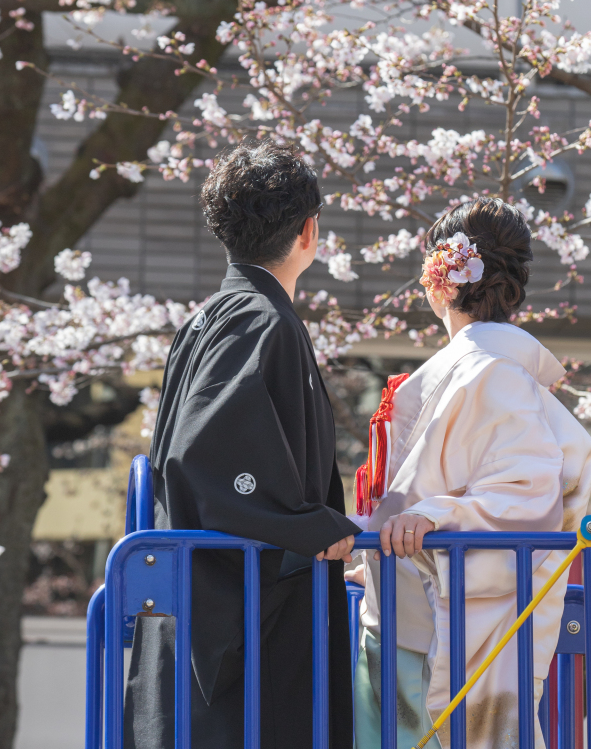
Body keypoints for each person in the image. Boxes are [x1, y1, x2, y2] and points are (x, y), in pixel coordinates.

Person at [125, 139, 359, 749]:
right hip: (243, 633)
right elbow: (203, 458)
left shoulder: (216, 315)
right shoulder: (260, 319)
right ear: (309, 231)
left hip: (205, 609)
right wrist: (309, 526)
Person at [348, 198, 591, 749]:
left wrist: (429, 517)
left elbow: (526, 495)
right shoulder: (487, 368)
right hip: (410, 614)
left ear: (441, 280)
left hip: (428, 637)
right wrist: (380, 553)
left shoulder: (490, 371)